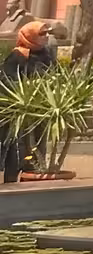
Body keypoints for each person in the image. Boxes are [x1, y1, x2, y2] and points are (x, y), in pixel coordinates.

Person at [0, 20, 54, 182]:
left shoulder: (46, 54)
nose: (46, 37)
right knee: (18, 147)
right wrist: (28, 88)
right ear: (31, 36)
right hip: (21, 110)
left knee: (38, 145)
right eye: (42, 34)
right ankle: (11, 181)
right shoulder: (17, 55)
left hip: (41, 109)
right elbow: (7, 80)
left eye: (47, 33)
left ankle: (33, 179)